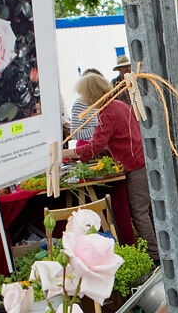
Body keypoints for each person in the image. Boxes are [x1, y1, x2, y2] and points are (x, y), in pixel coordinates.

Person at [64, 72, 159, 261]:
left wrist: (70, 153)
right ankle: (159, 250)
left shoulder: (107, 111)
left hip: (135, 164)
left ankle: (155, 255)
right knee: (147, 210)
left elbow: (96, 145)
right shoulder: (118, 105)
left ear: (90, 94)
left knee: (139, 212)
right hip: (141, 159)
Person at [70, 68, 103, 141]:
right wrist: (98, 129)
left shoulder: (99, 101)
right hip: (87, 147)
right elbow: (74, 134)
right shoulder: (80, 104)